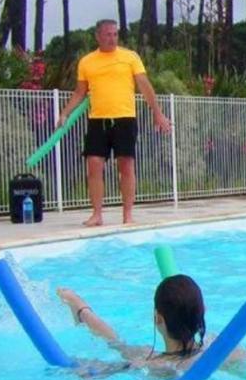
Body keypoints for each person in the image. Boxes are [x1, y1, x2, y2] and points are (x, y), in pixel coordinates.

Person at [55, 19, 172, 227]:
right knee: (94, 165)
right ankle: (97, 214)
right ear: (98, 36)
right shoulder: (87, 62)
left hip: (124, 118)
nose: (112, 38)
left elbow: (145, 86)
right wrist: (65, 113)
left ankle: (127, 214)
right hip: (97, 120)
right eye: (108, 34)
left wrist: (158, 114)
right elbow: (80, 92)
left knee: (126, 166)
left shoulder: (130, 57)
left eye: (115, 34)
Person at [56, 274, 246, 378]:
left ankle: (82, 309)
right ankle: (82, 310)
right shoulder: (223, 349)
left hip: (164, 365)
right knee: (121, 346)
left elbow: (87, 373)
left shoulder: (153, 365)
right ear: (203, 311)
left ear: (157, 318)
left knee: (119, 345)